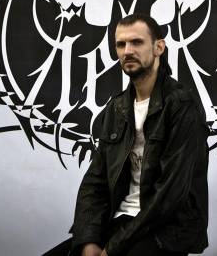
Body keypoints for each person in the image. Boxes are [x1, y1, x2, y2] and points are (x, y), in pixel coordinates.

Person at [70, 14, 209, 256]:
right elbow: (95, 182)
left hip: (167, 231)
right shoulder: (117, 108)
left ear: (158, 47)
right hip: (121, 220)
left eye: (136, 42)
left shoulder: (181, 105)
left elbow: (170, 195)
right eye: (121, 44)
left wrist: (112, 248)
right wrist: (88, 240)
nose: (127, 51)